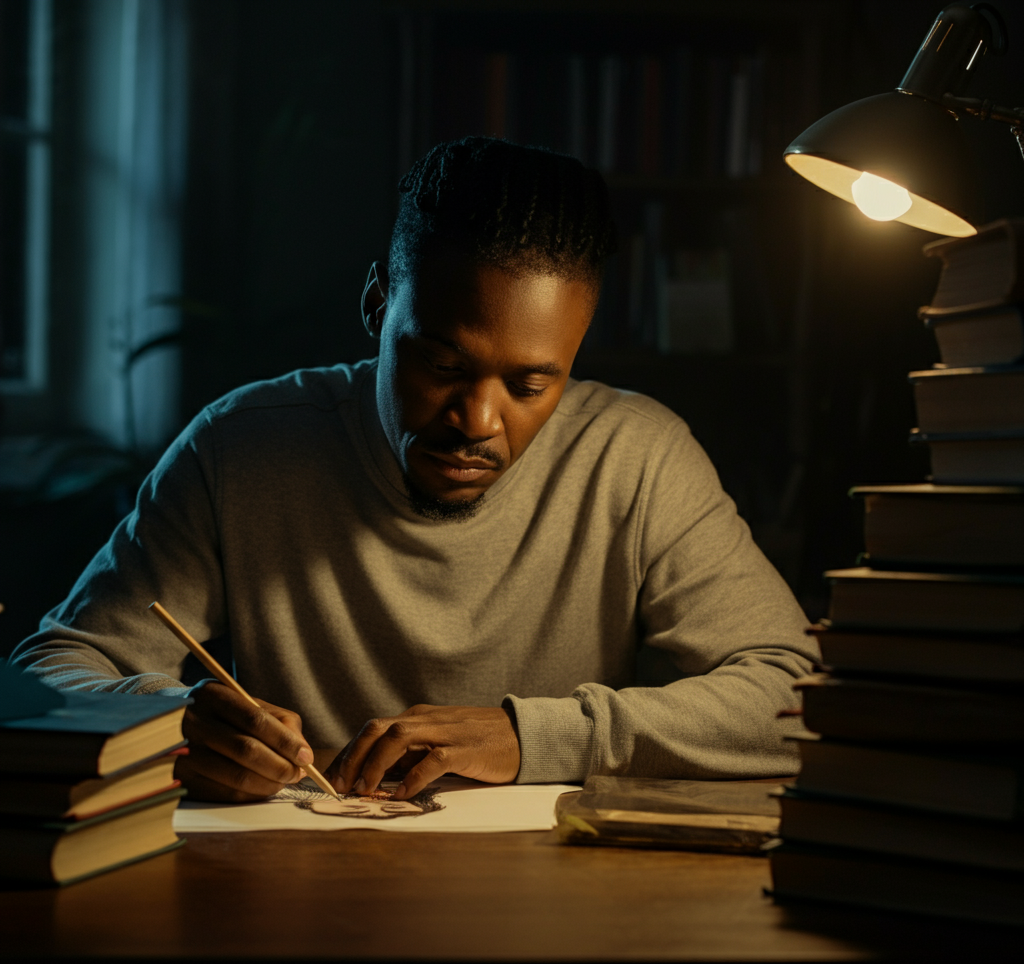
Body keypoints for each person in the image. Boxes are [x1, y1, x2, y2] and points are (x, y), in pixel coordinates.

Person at [12, 137, 817, 802]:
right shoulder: (242, 449)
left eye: (531, 384)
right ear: (377, 307)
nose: (476, 421)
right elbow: (48, 671)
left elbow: (793, 697)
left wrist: (532, 735)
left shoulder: (637, 456)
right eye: (440, 364)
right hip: (291, 894)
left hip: (552, 905)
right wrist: (173, 720)